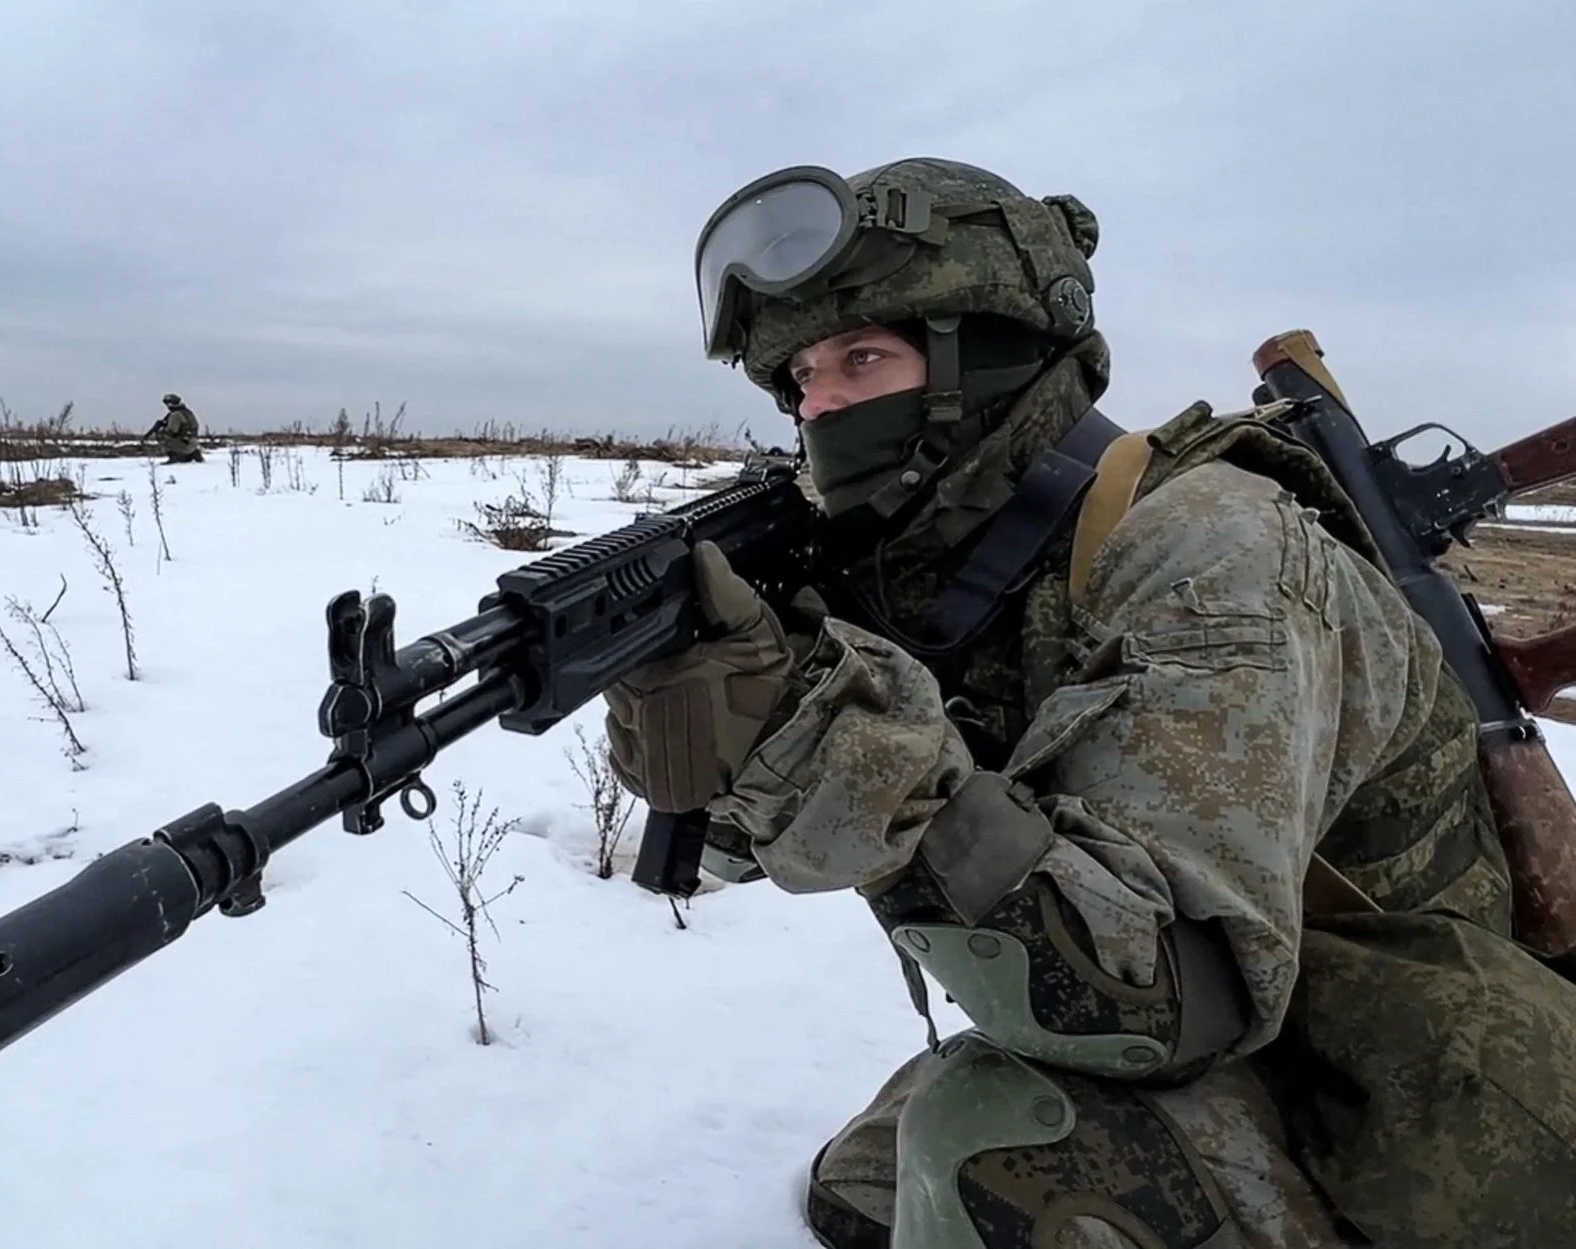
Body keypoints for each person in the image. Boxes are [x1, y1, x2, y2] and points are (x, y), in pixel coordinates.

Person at [602, 157, 1576, 1247]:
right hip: (1256, 1005)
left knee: (991, 1153)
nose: (817, 405)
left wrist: (818, 738)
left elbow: (1164, 1003)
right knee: (863, 1187)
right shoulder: (962, 554)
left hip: (1404, 1080)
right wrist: (726, 736)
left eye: (861, 357)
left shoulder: (1208, 550)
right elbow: (759, 852)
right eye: (798, 380)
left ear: (995, 358)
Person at [149, 393, 203, 463]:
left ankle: (176, 456)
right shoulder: (188, 413)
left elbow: (172, 431)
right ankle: (191, 454)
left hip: (185, 445)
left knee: (161, 436)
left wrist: (160, 430)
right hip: (193, 443)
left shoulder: (175, 415)